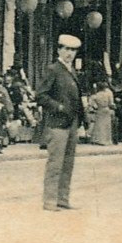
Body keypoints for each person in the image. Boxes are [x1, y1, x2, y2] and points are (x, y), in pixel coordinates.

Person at [38, 34, 85, 211]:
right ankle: (50, 201)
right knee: (55, 163)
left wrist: (82, 120)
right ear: (59, 50)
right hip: (57, 124)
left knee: (68, 163)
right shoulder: (53, 69)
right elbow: (41, 95)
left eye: (73, 50)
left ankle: (63, 199)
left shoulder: (71, 71)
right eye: (66, 49)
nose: (69, 53)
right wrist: (57, 107)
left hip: (72, 123)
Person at [86, 77, 116, 146]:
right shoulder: (108, 94)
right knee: (107, 125)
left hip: (100, 110)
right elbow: (111, 103)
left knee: (99, 125)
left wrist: (94, 107)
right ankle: (107, 140)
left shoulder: (95, 95)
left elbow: (90, 104)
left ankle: (99, 140)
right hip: (106, 109)